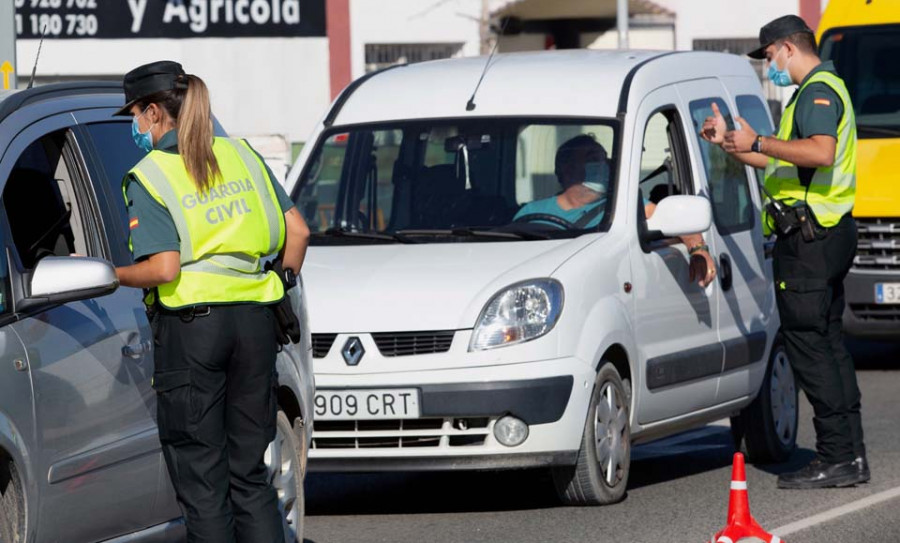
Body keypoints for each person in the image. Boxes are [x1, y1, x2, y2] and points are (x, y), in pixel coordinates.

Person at [113, 60, 311, 541]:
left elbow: (163, 269)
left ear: (156, 112)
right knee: (249, 476)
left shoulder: (153, 173)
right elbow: (299, 232)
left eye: (136, 116)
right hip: (256, 327)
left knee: (204, 483)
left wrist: (112, 272)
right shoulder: (242, 154)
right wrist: (269, 283)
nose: (135, 126)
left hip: (194, 334)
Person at [701, 15, 868, 489]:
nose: (769, 66)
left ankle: (838, 457)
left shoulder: (817, 91)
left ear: (788, 49)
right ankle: (851, 455)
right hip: (826, 235)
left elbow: (819, 152)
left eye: (769, 56)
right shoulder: (819, 89)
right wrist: (735, 145)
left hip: (811, 242)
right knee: (828, 347)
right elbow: (780, 159)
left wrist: (760, 140)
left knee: (810, 349)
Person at [515, 134, 716, 286]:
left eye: (604, 158)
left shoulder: (619, 207)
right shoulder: (531, 212)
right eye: (593, 158)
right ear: (566, 169)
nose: (604, 165)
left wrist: (698, 248)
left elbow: (675, 219)